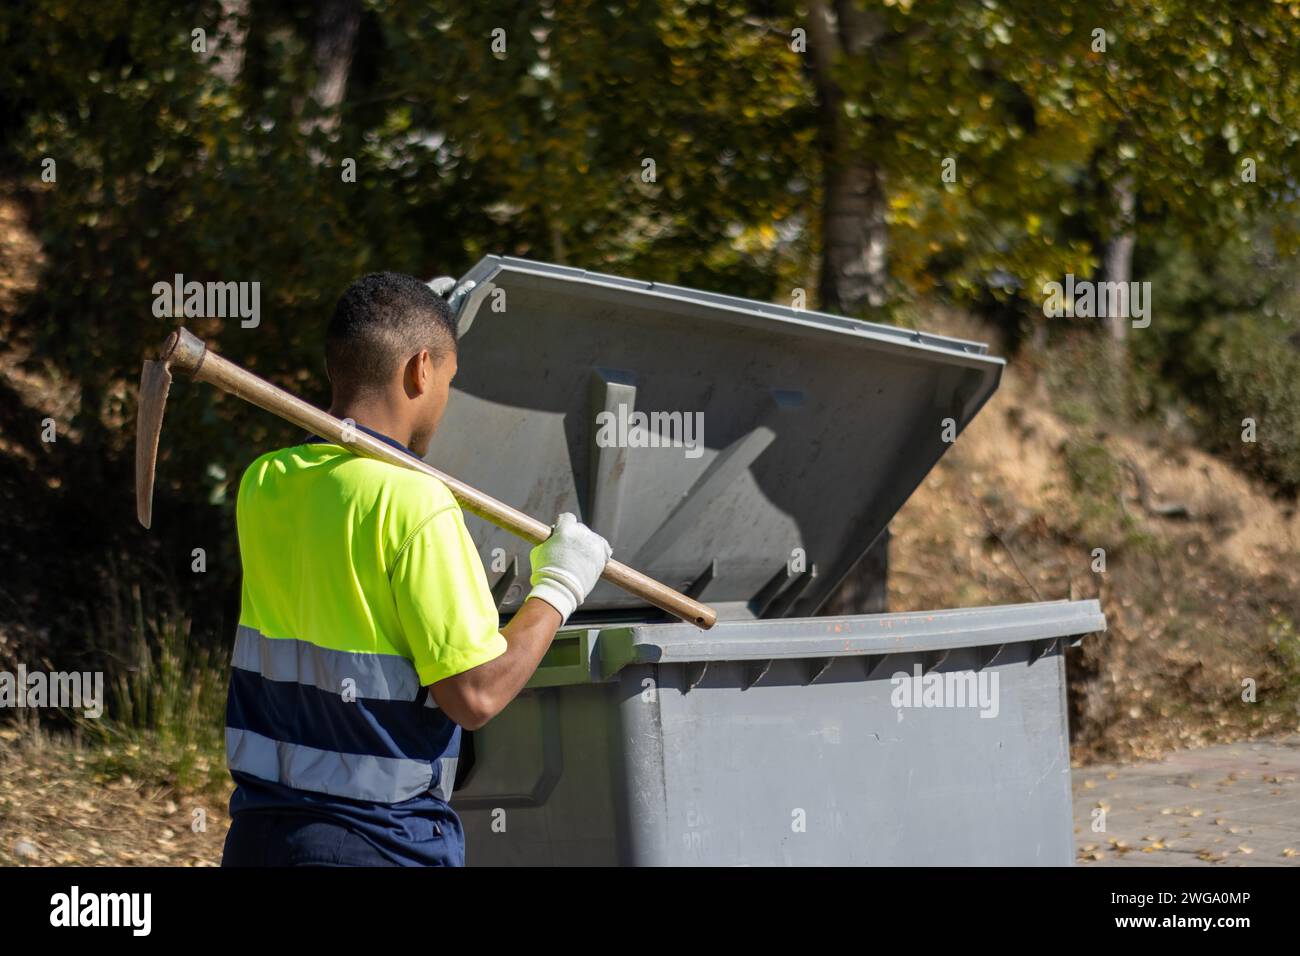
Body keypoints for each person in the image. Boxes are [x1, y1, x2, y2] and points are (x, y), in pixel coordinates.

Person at [220, 272, 610, 866]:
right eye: (447, 380)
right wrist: (559, 585)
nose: (444, 402)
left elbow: (331, 474)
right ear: (421, 370)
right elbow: (474, 695)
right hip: (379, 844)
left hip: (260, 839)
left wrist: (403, 321)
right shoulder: (417, 504)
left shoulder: (265, 481)